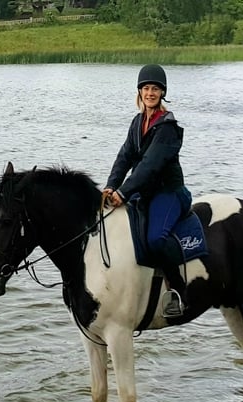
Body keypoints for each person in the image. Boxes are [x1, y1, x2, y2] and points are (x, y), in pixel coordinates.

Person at [102, 64, 192, 318]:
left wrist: (124, 193)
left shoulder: (167, 127)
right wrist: (111, 185)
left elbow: (150, 166)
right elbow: (126, 156)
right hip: (144, 192)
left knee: (155, 239)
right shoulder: (138, 121)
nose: (150, 93)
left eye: (155, 89)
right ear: (139, 92)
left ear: (162, 93)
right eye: (146, 88)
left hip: (168, 193)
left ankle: (179, 291)